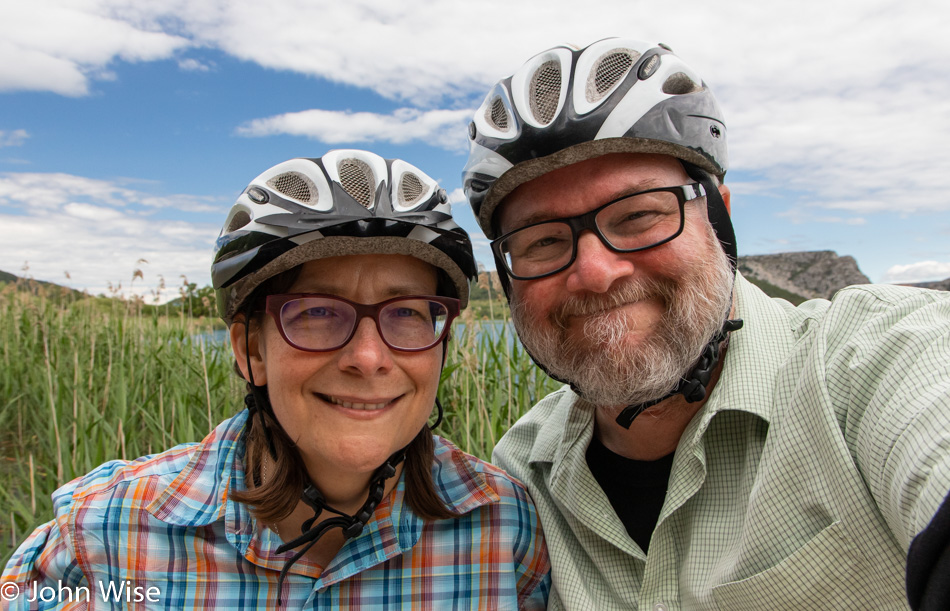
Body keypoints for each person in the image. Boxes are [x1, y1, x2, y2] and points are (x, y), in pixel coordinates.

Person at [462, 37, 950, 610]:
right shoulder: (522, 472)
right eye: (541, 241)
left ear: (718, 213)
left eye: (640, 213)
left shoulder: (873, 364)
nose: (595, 274)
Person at [2, 150, 550, 609]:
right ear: (249, 349)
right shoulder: (105, 537)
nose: (368, 357)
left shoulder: (503, 529)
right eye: (316, 312)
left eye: (407, 313)